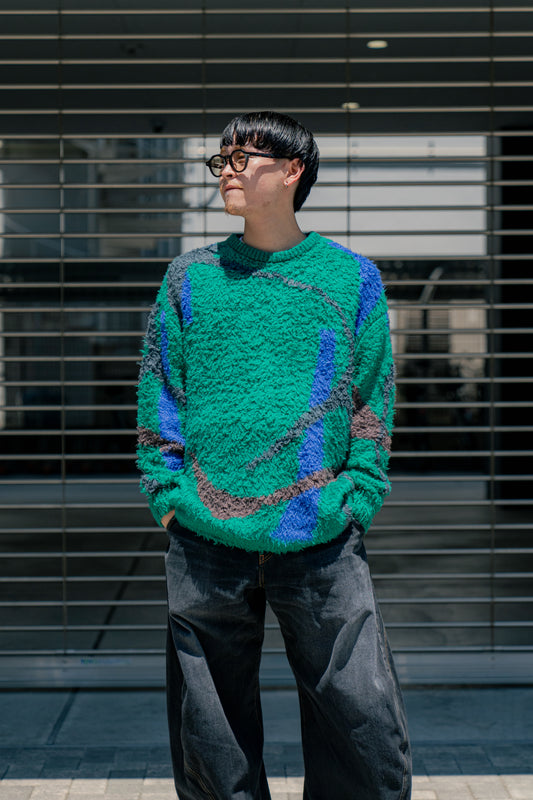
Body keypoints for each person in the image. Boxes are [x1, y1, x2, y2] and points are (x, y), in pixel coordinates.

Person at [136, 110, 411, 800]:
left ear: (292, 170)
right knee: (211, 737)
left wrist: (358, 496)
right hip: (205, 535)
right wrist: (168, 496)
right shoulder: (190, 277)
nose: (225, 171)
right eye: (220, 159)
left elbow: (371, 398)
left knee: (363, 724)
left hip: (321, 532)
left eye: (242, 158)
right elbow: (161, 389)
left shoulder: (349, 278)